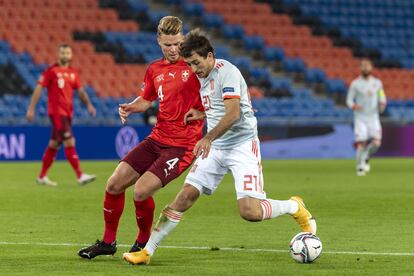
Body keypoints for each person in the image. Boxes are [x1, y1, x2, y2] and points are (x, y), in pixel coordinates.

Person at [122, 29, 317, 265]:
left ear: (210, 56)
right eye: (190, 64)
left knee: (250, 212)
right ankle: (147, 251)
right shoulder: (201, 75)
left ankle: (293, 205)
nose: (193, 69)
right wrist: (201, 112)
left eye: (196, 63)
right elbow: (215, 104)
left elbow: (233, 114)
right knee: (184, 197)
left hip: (241, 146)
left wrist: (207, 138)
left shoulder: (228, 73)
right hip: (215, 148)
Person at [78, 16, 204, 259]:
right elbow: (147, 100)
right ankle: (107, 242)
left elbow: (219, 100)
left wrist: (201, 111)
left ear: (183, 40)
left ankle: (144, 243)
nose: (173, 49)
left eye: (177, 43)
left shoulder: (195, 66)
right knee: (114, 184)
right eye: (168, 44)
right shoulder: (155, 69)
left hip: (182, 147)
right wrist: (131, 107)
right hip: (157, 139)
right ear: (159, 42)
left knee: (141, 191)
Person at [26, 44, 97, 186]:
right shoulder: (51, 71)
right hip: (57, 113)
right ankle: (80, 175)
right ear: (58, 54)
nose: (65, 55)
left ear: (71, 55)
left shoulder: (73, 72)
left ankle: (41, 177)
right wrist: (31, 108)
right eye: (63, 52)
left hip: (68, 113)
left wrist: (89, 105)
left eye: (67, 52)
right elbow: (39, 88)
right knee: (69, 141)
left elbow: (81, 91)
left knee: (54, 144)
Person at [346, 58, 386, 176]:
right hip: (360, 117)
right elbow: (348, 100)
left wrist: (382, 103)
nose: (365, 68)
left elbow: (381, 95)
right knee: (361, 142)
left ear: (371, 67)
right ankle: (360, 166)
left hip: (373, 117)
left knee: (376, 143)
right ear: (360, 68)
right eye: (363, 66)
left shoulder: (377, 83)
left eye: (367, 66)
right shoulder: (355, 84)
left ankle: (366, 156)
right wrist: (354, 106)